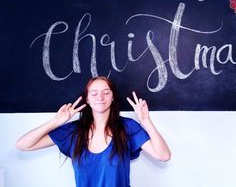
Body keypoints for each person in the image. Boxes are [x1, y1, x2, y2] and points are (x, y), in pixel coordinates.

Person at [16, 76, 171, 187]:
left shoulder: (128, 127)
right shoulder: (73, 131)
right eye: (94, 93)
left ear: (113, 98)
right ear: (88, 99)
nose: (100, 97)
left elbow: (163, 155)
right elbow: (23, 145)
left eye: (106, 92)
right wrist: (55, 122)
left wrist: (146, 121)